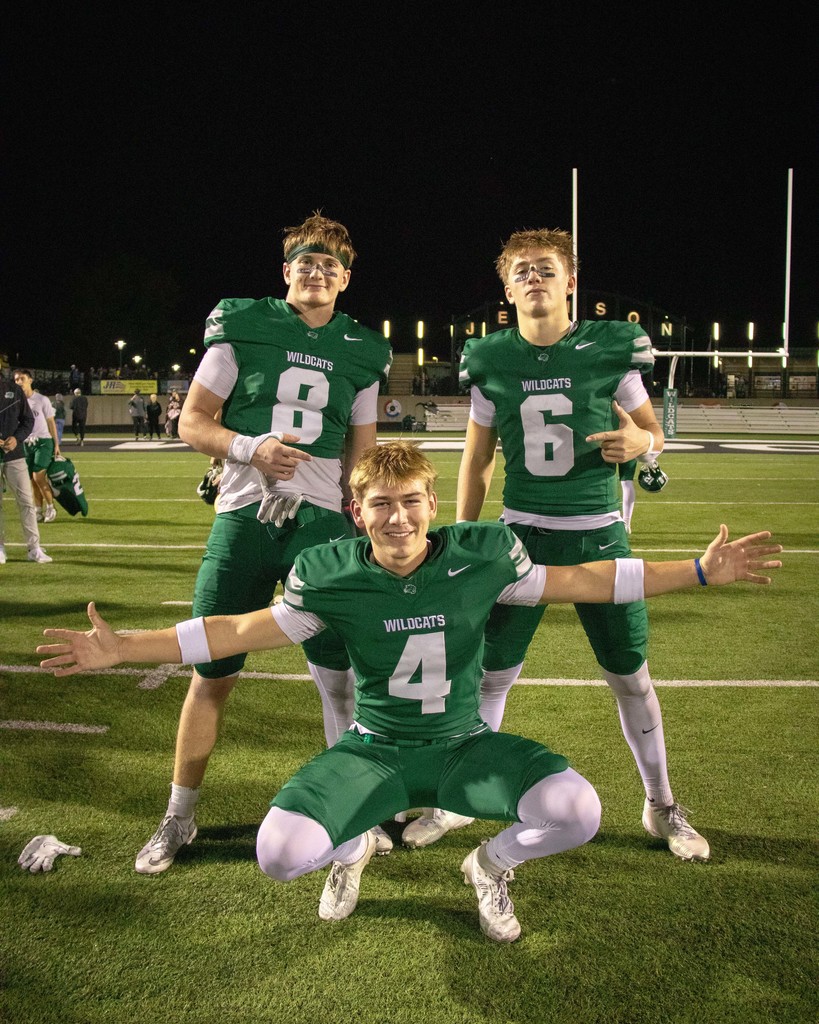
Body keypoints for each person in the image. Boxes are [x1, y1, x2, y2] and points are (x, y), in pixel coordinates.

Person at [37, 443, 782, 942]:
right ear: (356, 512)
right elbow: (234, 631)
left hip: (463, 749)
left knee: (577, 811)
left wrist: (697, 570)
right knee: (278, 854)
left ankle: (489, 864)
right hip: (374, 752)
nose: (399, 517)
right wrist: (125, 648)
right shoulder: (332, 573)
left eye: (413, 501)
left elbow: (586, 580)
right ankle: (353, 842)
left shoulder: (481, 555)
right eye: (382, 504)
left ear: (434, 505)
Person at [132, 211, 392, 876]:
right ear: (285, 272)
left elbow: (361, 451)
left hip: (322, 527)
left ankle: (352, 811)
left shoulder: (360, 348)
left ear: (346, 278)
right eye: (306, 261)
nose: (317, 271)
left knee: (339, 681)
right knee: (210, 670)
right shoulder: (242, 325)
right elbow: (193, 420)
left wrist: (364, 518)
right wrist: (251, 448)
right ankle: (178, 814)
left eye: (330, 264)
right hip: (245, 516)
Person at [439, 227, 709, 862]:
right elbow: (477, 460)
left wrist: (645, 444)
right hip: (520, 536)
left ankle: (661, 803)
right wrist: (461, 539)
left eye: (546, 268)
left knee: (630, 676)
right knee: (490, 676)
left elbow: (650, 431)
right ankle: (459, 801)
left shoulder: (609, 348)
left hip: (598, 535)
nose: (535, 277)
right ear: (508, 289)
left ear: (570, 283)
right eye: (523, 270)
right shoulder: (490, 358)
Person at [0, 373, 52, 563]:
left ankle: (34, 548)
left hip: (15, 455)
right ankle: (0, 548)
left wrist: (17, 438)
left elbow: (27, 420)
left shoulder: (13, 390)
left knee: (27, 502)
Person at [14, 370, 60, 524]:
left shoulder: (41, 400)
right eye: (16, 379)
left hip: (43, 442)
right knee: (31, 480)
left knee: (38, 477)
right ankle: (38, 510)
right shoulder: (16, 402)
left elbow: (51, 422)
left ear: (30, 380)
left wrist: (56, 444)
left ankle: (51, 507)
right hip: (26, 443)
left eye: (22, 378)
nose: (19, 382)